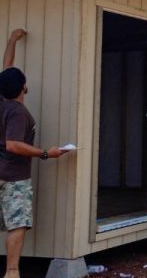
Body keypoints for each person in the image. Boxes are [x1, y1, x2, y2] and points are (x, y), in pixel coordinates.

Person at [0, 29, 70, 278]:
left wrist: (12, 40)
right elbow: (12, 144)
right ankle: (12, 272)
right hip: (13, 178)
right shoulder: (17, 113)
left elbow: (6, 70)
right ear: (23, 87)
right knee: (17, 223)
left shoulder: (2, 100)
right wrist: (46, 153)